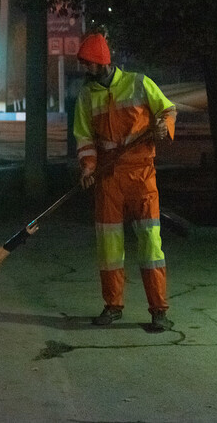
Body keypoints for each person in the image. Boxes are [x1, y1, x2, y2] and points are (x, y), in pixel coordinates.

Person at [73, 32, 176, 331]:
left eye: (91, 64)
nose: (87, 70)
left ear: (104, 62)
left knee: (150, 243)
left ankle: (159, 310)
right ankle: (113, 306)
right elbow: (84, 137)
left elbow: (167, 110)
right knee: (109, 246)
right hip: (107, 178)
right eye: (84, 64)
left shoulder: (139, 83)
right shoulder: (86, 96)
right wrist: (87, 167)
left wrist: (163, 127)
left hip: (142, 174)